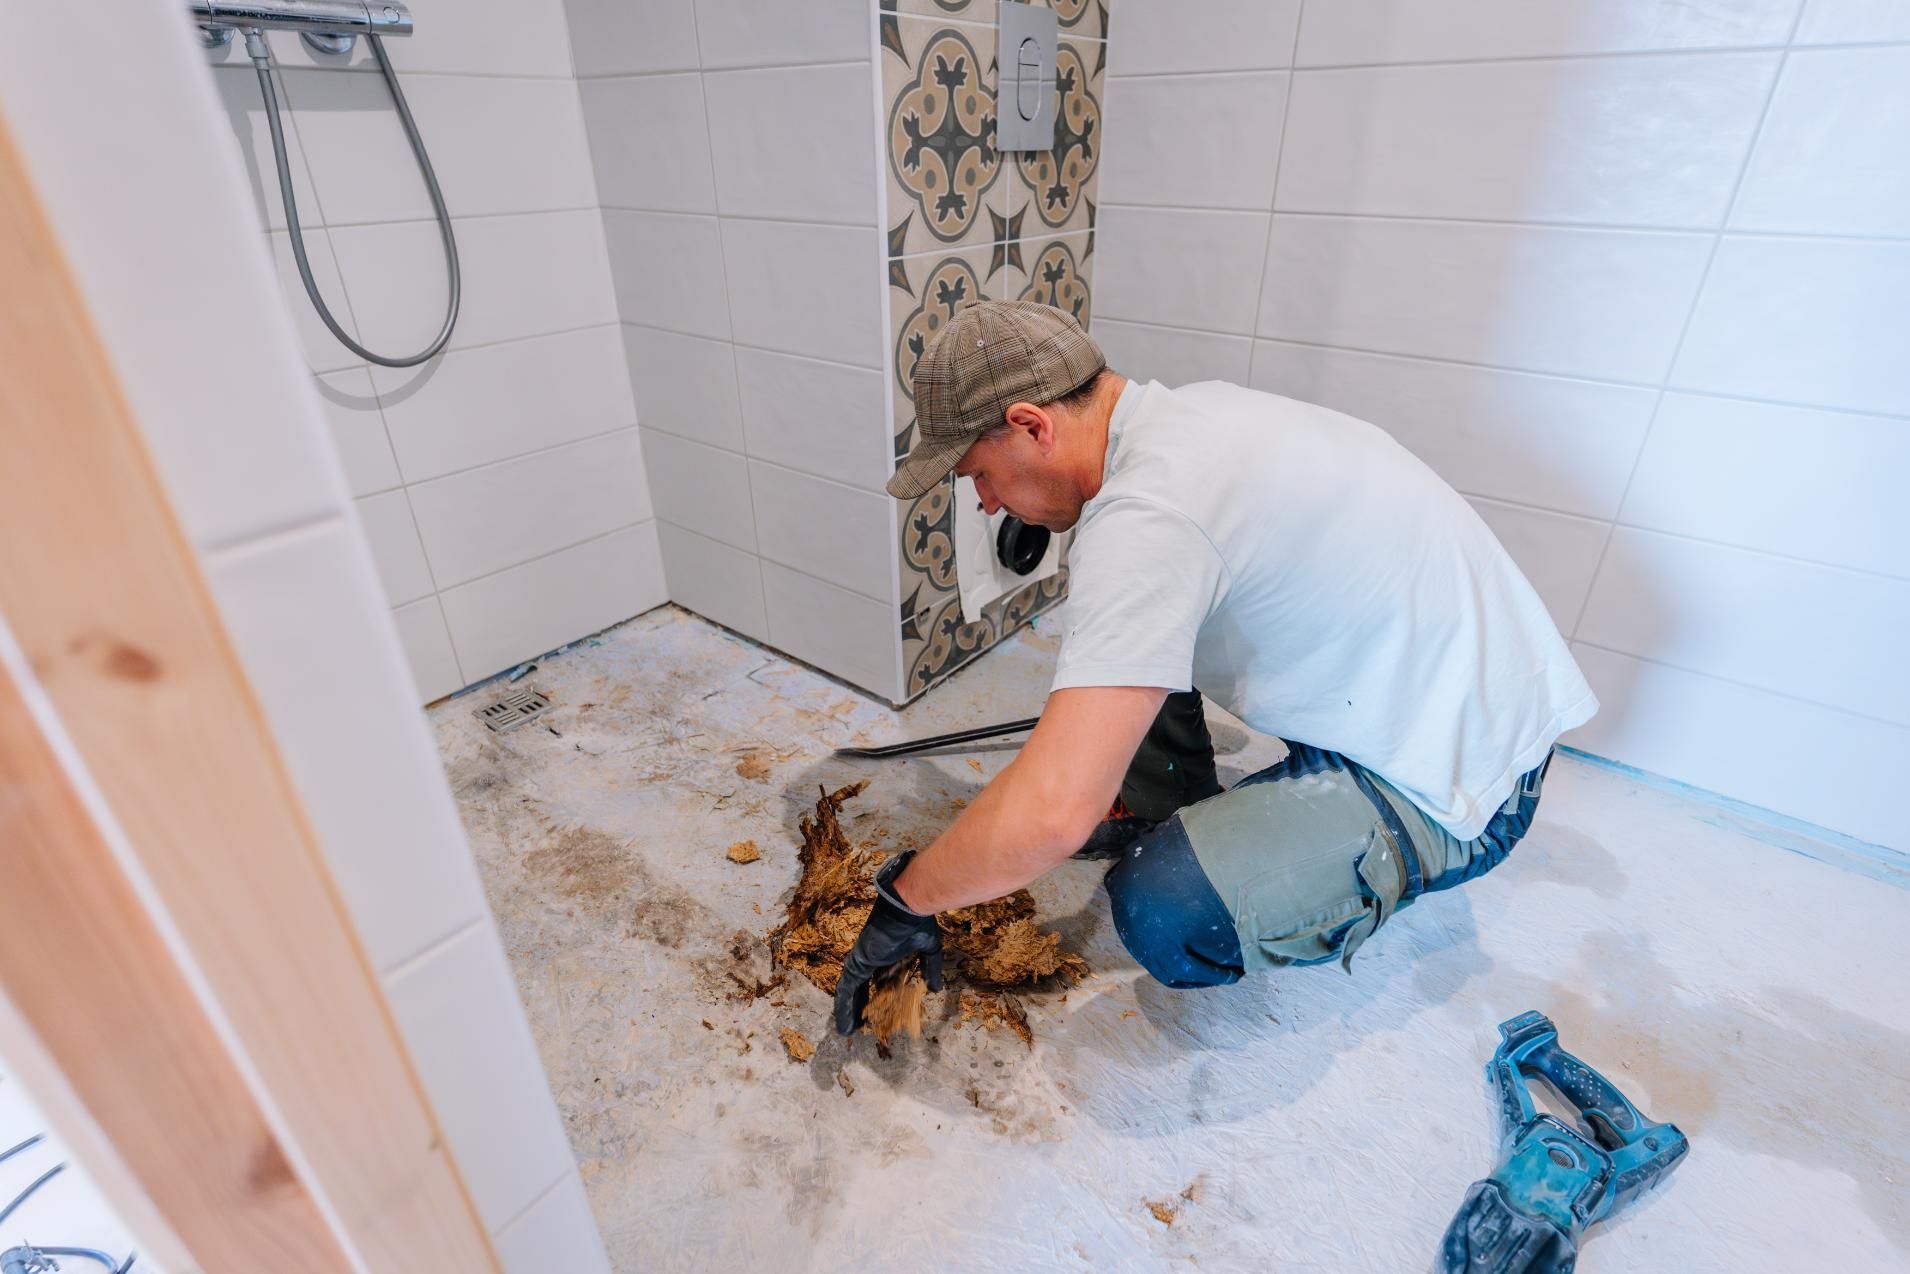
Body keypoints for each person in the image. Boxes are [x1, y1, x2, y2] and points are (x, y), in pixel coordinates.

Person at [833, 301, 1597, 1035]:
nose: (989, 503)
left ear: (1031, 426)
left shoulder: (1151, 516)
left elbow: (1053, 811)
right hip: (1433, 692)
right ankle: (1161, 797)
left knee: (1166, 906)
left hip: (1464, 778)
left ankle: (1370, 854)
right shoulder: (1191, 418)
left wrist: (908, 898)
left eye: (977, 474)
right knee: (1118, 650)